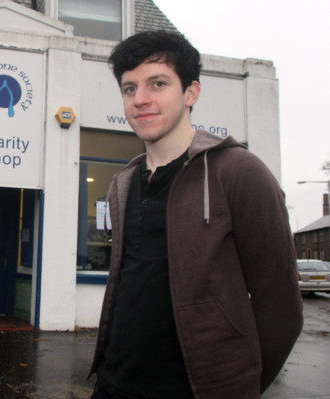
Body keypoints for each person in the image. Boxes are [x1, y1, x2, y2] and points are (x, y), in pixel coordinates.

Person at [88, 31, 303, 398]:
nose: (140, 99)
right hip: (113, 384)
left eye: (157, 84)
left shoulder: (237, 172)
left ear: (191, 93)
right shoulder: (122, 184)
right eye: (129, 88)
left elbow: (280, 306)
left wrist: (239, 387)